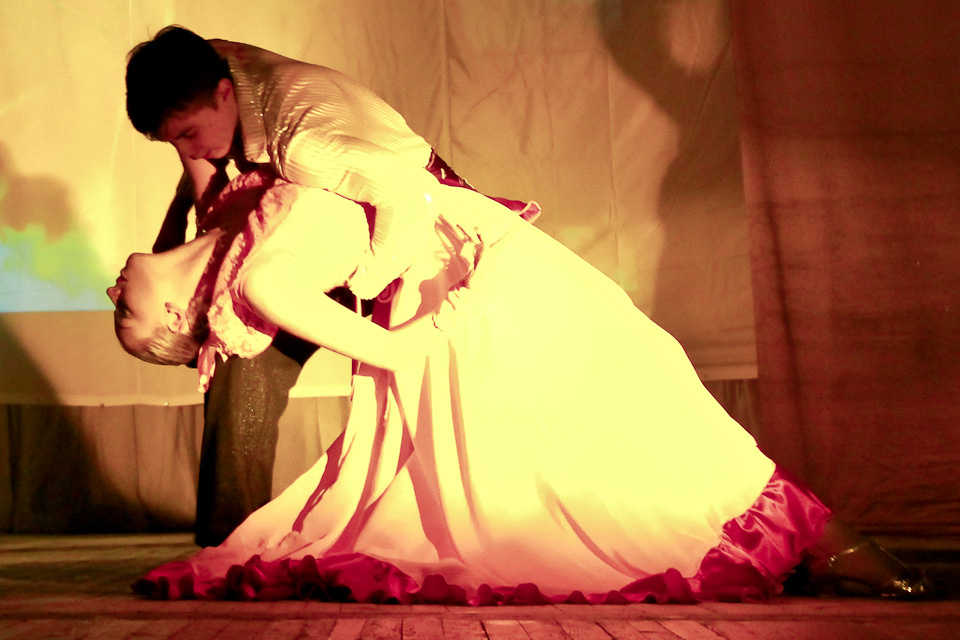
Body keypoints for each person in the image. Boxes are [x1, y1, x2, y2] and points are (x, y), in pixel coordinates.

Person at [107, 168, 931, 603]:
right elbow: (394, 353)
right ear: (176, 315)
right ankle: (827, 543)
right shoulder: (262, 281)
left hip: (479, 249)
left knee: (637, 378)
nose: (112, 289)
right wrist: (468, 304)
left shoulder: (226, 218)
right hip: (461, 292)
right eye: (127, 317)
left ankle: (823, 542)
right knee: (624, 411)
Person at [124, 25, 538, 546]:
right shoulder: (208, 68)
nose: (190, 152)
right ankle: (228, 542)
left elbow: (408, 197)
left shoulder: (299, 144)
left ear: (224, 92)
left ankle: (227, 544)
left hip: (402, 234)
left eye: (188, 135)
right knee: (243, 353)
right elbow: (207, 181)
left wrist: (371, 277)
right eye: (175, 141)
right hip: (330, 234)